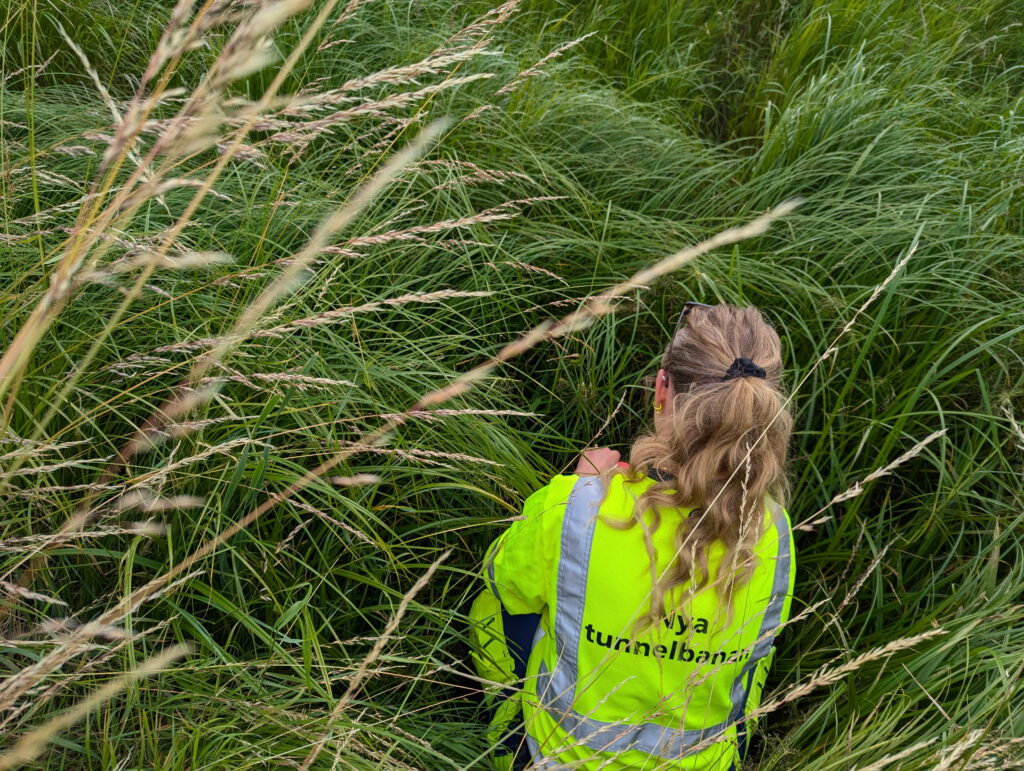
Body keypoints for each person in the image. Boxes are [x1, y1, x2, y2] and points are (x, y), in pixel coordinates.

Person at [469, 302, 796, 770]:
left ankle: (506, 738)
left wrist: (579, 490)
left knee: (499, 599)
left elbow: (502, 574)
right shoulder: (774, 532)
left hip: (557, 760)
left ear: (663, 389)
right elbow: (754, 664)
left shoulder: (580, 507)